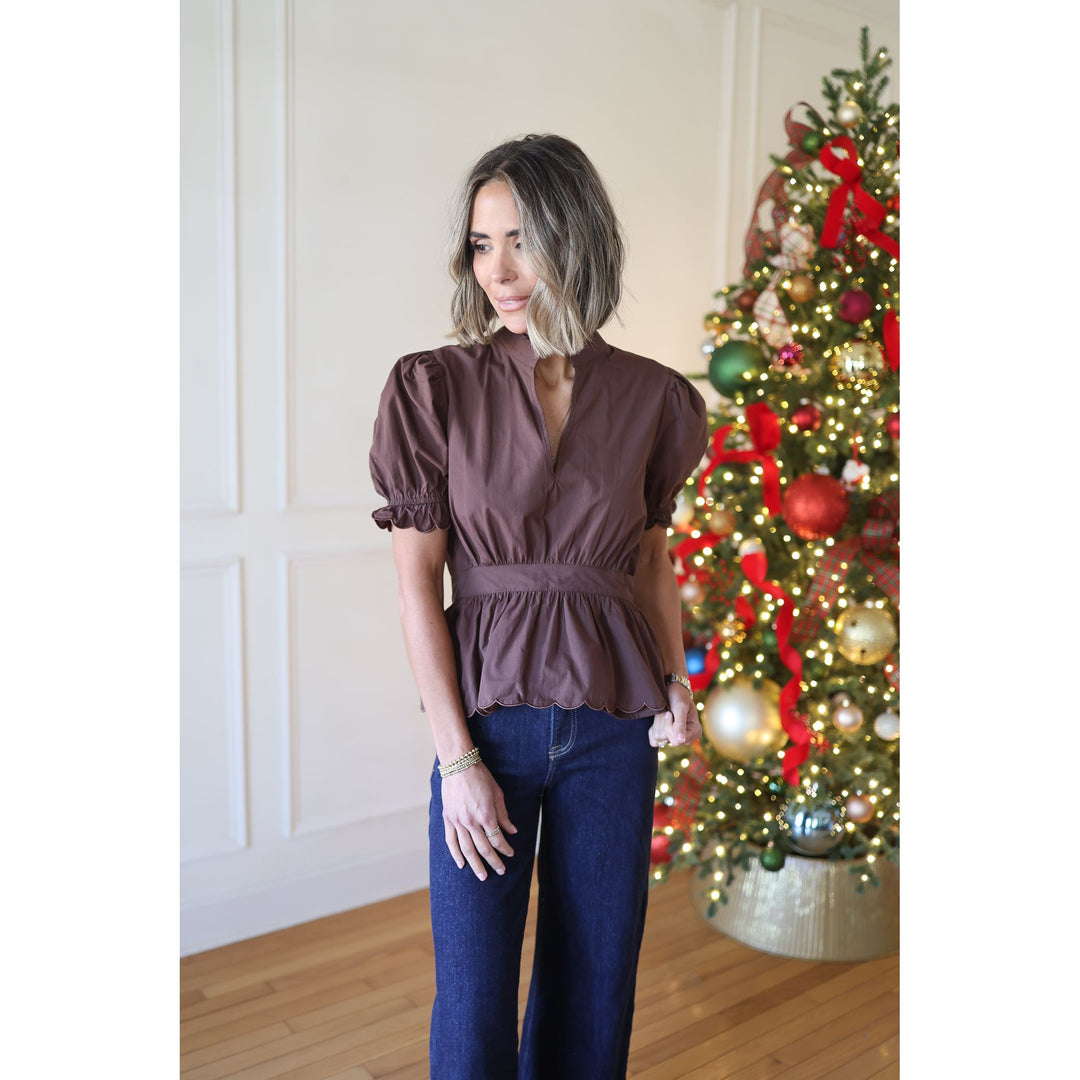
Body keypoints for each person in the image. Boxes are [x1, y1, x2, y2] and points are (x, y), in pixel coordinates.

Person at [368, 133, 709, 1080]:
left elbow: (647, 557)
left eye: (523, 239)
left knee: (595, 985)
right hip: (489, 732)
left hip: (613, 728)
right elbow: (416, 587)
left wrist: (674, 682)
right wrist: (459, 759)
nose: (502, 270)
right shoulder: (435, 388)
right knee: (474, 996)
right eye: (482, 245)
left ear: (577, 236)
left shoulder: (652, 397)